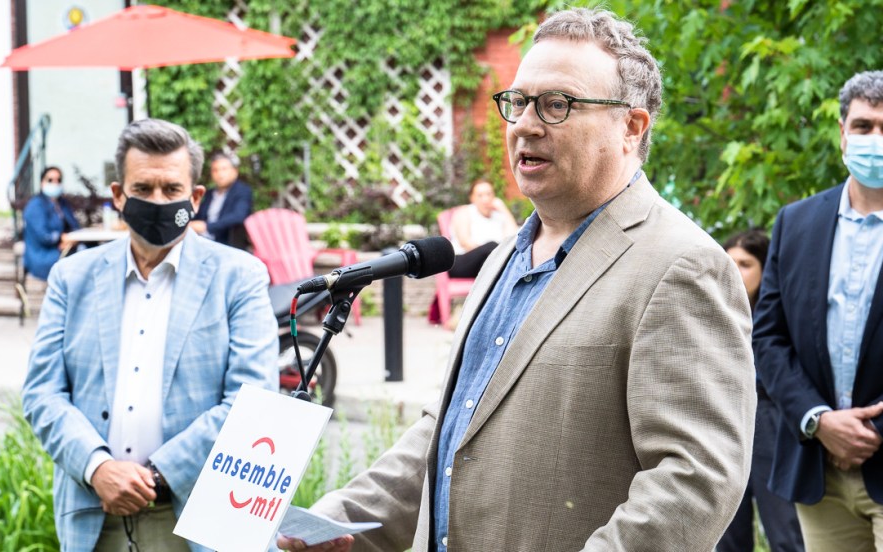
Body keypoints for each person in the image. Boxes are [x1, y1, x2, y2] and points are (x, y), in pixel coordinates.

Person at [279, 7, 755, 551]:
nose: (526, 123)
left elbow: (695, 481)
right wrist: (339, 520)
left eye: (558, 104)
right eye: (519, 102)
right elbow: (449, 433)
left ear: (631, 125)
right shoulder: (504, 257)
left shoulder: (682, 265)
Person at [22, 119, 279, 552]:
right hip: (95, 517)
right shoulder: (72, 277)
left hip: (200, 517)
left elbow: (252, 401)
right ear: (119, 195)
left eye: (170, 189)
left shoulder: (239, 276)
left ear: (194, 197)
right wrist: (97, 467)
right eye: (143, 189)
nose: (158, 201)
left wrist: (155, 477)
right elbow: (42, 392)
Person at [753, 70, 883, 551]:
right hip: (817, 470)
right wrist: (818, 420)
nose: (875, 139)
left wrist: (877, 428)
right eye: (864, 125)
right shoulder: (797, 222)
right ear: (843, 133)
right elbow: (768, 337)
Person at [719, 229, 804, 552]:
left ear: (765, 269)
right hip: (725, 427)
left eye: (745, 263)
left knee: (786, 534)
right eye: (729, 262)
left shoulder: (781, 317)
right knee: (725, 537)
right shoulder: (711, 313)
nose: (735, 271)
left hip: (772, 425)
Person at [447, 179, 518, 278]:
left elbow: (514, 239)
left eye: (489, 194)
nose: (485, 199)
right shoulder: (465, 212)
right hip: (461, 262)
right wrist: (494, 255)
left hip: (487, 264)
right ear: (472, 198)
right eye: (480, 195)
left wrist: (503, 208)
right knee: (491, 246)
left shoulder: (498, 217)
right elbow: (465, 243)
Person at [22, 166, 81, 280]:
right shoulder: (36, 205)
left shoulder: (62, 204)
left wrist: (72, 241)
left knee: (91, 250)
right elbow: (44, 236)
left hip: (66, 248)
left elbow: (75, 227)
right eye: (50, 180)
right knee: (82, 259)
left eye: (58, 180)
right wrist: (61, 238)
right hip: (43, 256)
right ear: (42, 182)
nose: (55, 183)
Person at [190, 151, 254, 247]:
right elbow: (198, 214)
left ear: (235, 171)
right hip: (201, 240)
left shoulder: (242, 191)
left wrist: (207, 227)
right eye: (215, 170)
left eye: (224, 169)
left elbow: (238, 216)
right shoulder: (210, 193)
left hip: (226, 242)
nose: (219, 174)